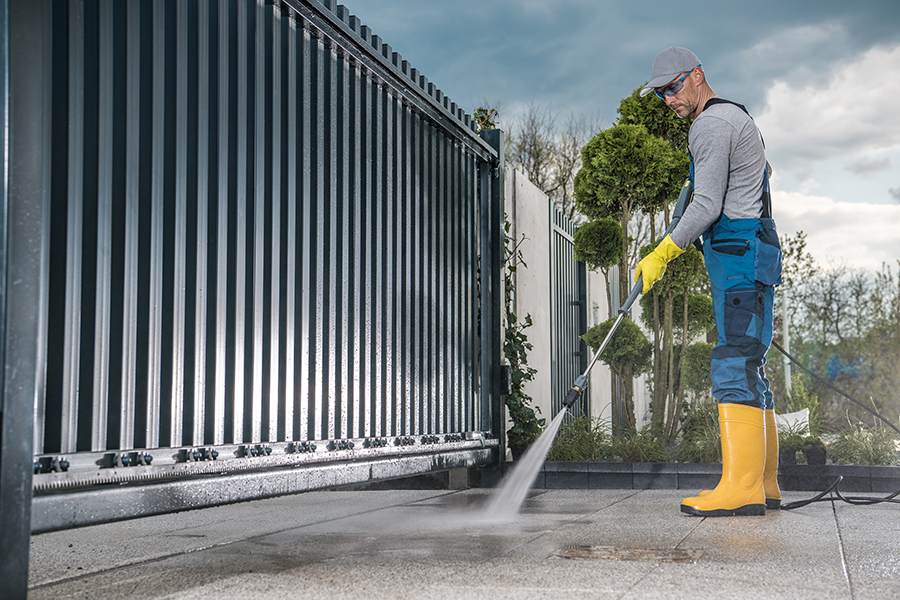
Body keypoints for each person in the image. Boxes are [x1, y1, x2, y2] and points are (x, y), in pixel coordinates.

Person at [635, 47, 784, 517]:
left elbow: (706, 207)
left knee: (733, 363)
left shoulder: (712, 124)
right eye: (661, 93)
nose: (668, 100)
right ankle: (764, 483)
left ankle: (741, 487)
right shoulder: (737, 118)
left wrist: (663, 250)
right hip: (750, 253)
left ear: (697, 76)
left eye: (674, 87)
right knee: (750, 364)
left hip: (739, 257)